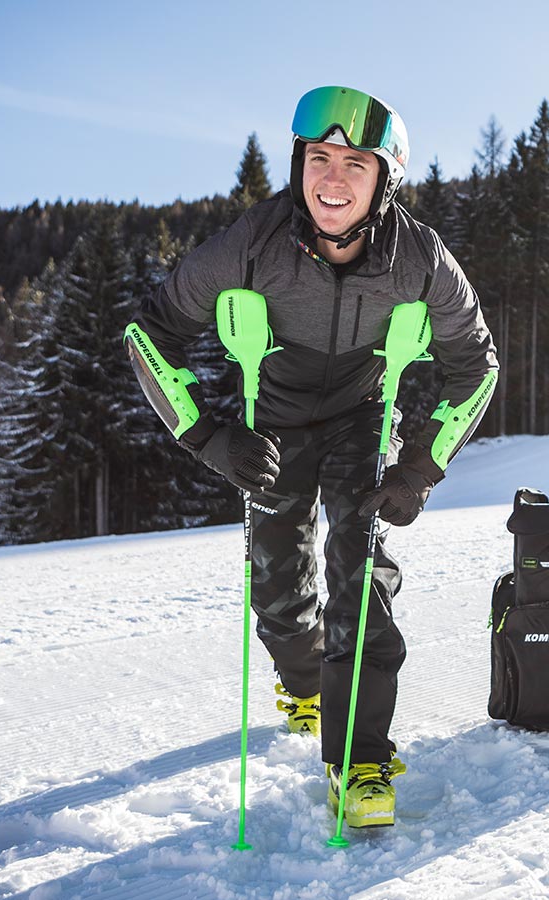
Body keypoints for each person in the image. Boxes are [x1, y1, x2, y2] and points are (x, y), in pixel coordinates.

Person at [125, 85, 498, 829]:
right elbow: (149, 334)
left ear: (385, 180)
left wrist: (419, 470)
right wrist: (210, 437)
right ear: (298, 162)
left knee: (361, 567)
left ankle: (360, 759)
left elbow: (477, 366)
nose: (332, 179)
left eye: (356, 164)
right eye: (319, 158)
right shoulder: (252, 241)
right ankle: (304, 685)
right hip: (274, 420)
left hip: (364, 418)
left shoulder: (420, 258)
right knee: (276, 581)